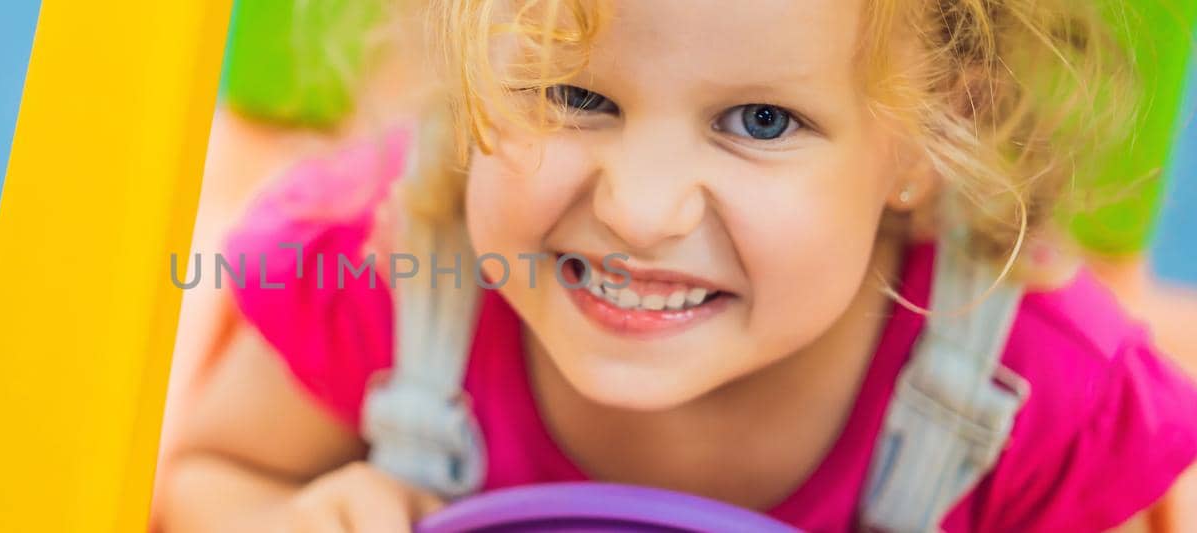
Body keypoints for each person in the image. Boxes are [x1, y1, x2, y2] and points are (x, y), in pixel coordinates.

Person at [157, 0, 1197, 531]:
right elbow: (202, 477)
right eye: (571, 95)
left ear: (925, 139)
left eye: (759, 120)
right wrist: (294, 515)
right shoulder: (395, 259)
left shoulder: (1032, 397)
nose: (637, 208)